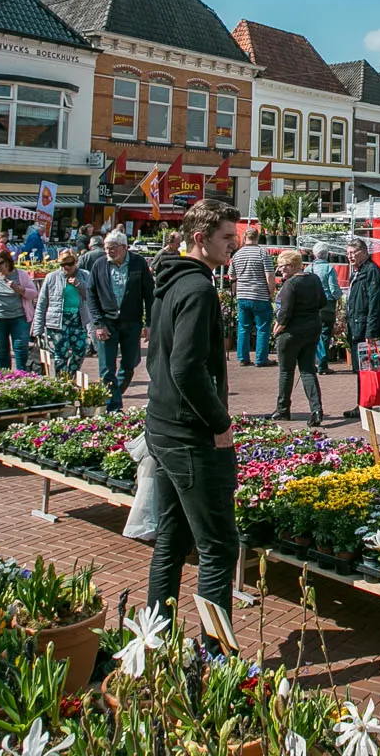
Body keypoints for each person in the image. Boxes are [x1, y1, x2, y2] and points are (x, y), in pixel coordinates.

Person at [145, 198, 244, 618]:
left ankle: (156, 637)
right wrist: (219, 421)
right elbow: (185, 367)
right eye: (226, 238)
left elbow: (157, 354)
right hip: (189, 434)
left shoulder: (169, 281)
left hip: (162, 424)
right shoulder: (199, 288)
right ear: (200, 239)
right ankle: (216, 657)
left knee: (171, 539)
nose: (233, 247)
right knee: (219, 546)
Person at [82, 230, 155, 412]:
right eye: (107, 248)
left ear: (124, 248)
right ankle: (113, 407)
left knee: (130, 363)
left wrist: (149, 324)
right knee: (106, 368)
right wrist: (98, 323)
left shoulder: (138, 263)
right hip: (107, 322)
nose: (108, 252)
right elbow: (91, 295)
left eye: (112, 248)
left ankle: (115, 393)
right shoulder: (99, 265)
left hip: (131, 321)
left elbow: (149, 293)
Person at [269, 250, 327, 427]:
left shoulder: (290, 284)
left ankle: (283, 409)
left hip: (291, 333)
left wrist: (278, 327)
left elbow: (285, 312)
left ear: (293, 265)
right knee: (308, 369)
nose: (280, 270)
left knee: (286, 371)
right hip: (312, 329)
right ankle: (316, 409)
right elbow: (323, 302)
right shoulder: (314, 279)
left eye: (283, 266)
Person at [33, 248, 93, 376]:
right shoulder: (52, 277)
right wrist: (37, 329)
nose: (66, 267)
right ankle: (62, 381)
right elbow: (42, 303)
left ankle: (70, 376)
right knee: (61, 353)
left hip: (78, 318)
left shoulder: (85, 275)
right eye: (62, 264)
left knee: (80, 350)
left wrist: (79, 285)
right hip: (57, 320)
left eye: (70, 264)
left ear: (75, 262)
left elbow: (91, 297)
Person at [0, 250, 39, 371]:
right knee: (2, 350)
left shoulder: (21, 275)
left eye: (0, 262)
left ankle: (22, 376)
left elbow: (33, 294)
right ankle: (5, 376)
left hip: (19, 317)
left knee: (20, 348)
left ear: (8, 262)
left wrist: (19, 289)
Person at [228, 227, 276, 368]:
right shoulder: (262, 253)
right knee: (262, 328)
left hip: (242, 295)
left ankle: (242, 357)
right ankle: (261, 359)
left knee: (243, 327)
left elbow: (232, 276)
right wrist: (271, 292)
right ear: (258, 237)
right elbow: (270, 275)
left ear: (244, 237)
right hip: (259, 294)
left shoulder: (237, 254)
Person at [342, 237, 380, 375]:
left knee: (366, 371)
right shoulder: (357, 272)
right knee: (359, 369)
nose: (350, 256)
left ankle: (370, 396)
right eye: (348, 253)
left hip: (363, 326)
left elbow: (375, 302)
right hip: (355, 324)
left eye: (353, 252)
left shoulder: (371, 271)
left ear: (364, 252)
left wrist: (371, 331)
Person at [306, 249, 342, 374]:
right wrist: (339, 297)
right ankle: (322, 364)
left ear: (315, 254)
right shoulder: (329, 268)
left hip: (312, 306)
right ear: (327, 255)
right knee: (325, 334)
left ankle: (311, 363)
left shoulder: (308, 269)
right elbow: (333, 288)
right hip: (327, 305)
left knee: (312, 336)